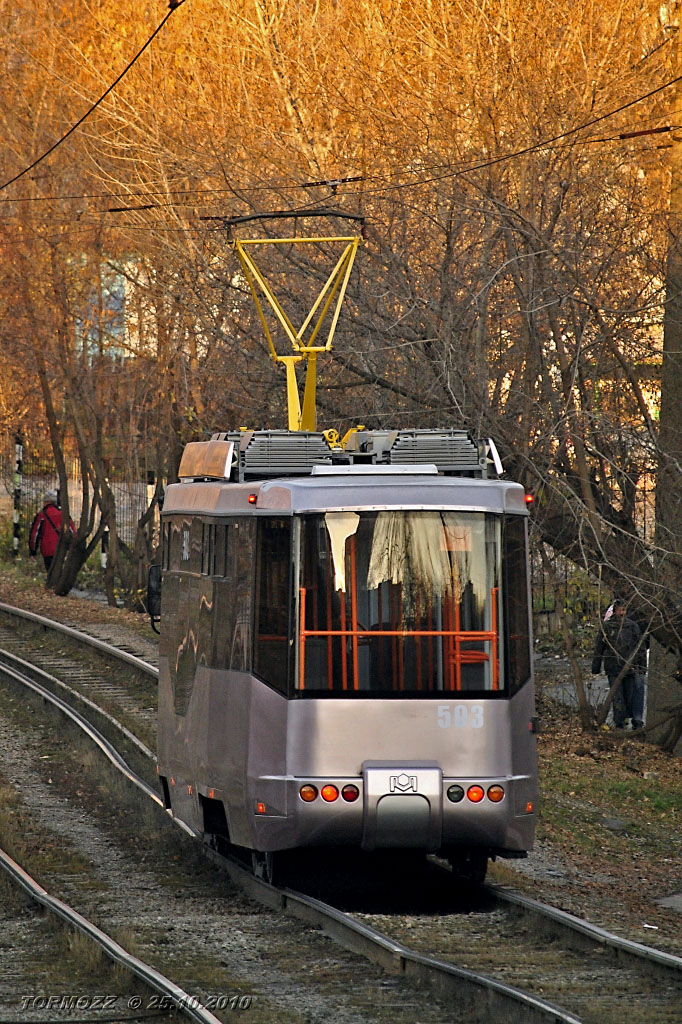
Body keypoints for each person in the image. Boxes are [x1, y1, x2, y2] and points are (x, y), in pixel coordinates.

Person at [591, 599, 646, 730]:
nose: (622, 613)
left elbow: (639, 647)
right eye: (620, 610)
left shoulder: (632, 626)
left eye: (624, 610)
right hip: (613, 667)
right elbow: (599, 647)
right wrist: (596, 666)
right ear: (615, 611)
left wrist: (641, 665)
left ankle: (625, 720)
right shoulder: (608, 627)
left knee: (628, 695)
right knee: (617, 696)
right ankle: (619, 722)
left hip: (629, 668)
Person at [28, 491, 75, 572]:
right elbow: (73, 531)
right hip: (62, 549)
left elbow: (34, 535)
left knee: (50, 571)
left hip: (47, 549)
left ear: (45, 502)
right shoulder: (63, 514)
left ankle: (52, 580)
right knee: (61, 571)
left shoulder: (41, 515)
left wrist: (33, 551)